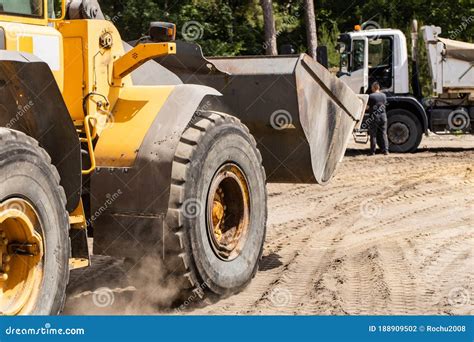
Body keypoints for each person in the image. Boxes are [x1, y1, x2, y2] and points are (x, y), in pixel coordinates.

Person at [367, 82, 389, 155]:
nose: (371, 88)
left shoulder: (371, 96)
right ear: (378, 88)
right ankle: (386, 150)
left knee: (373, 134)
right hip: (383, 117)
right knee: (383, 133)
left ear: (374, 87)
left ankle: (372, 152)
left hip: (374, 118)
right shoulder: (384, 95)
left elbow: (367, 107)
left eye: (371, 87)